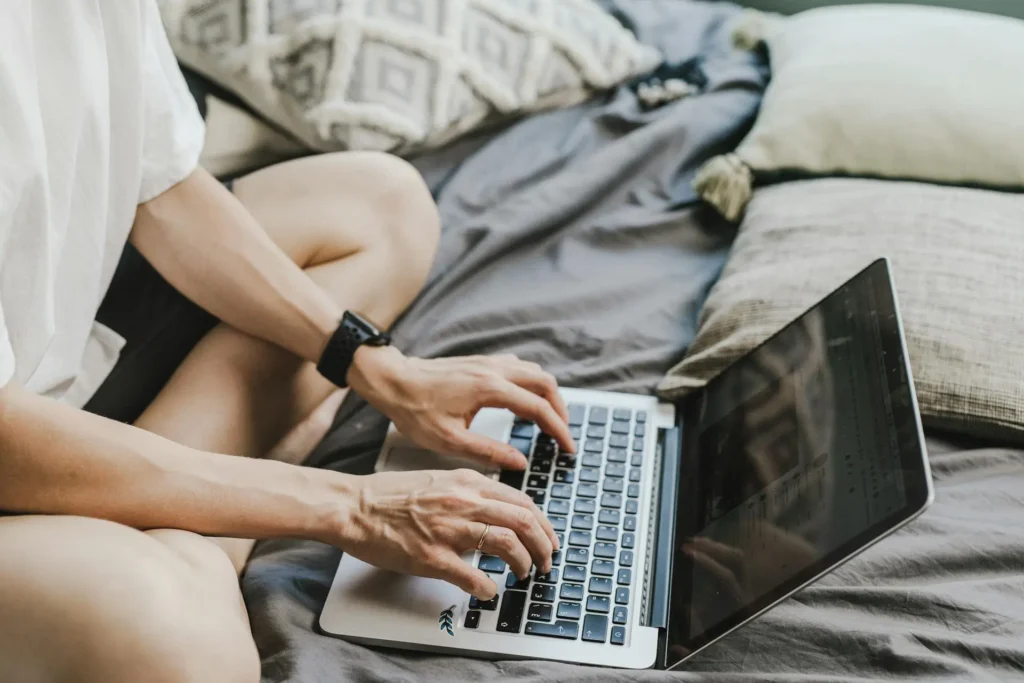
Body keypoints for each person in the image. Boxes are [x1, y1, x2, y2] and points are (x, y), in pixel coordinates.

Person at [0, 3, 573, 681]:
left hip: (43, 379)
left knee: (382, 206)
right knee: (177, 645)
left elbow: (161, 184)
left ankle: (175, 532)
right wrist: (349, 505)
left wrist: (377, 368)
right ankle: (201, 549)